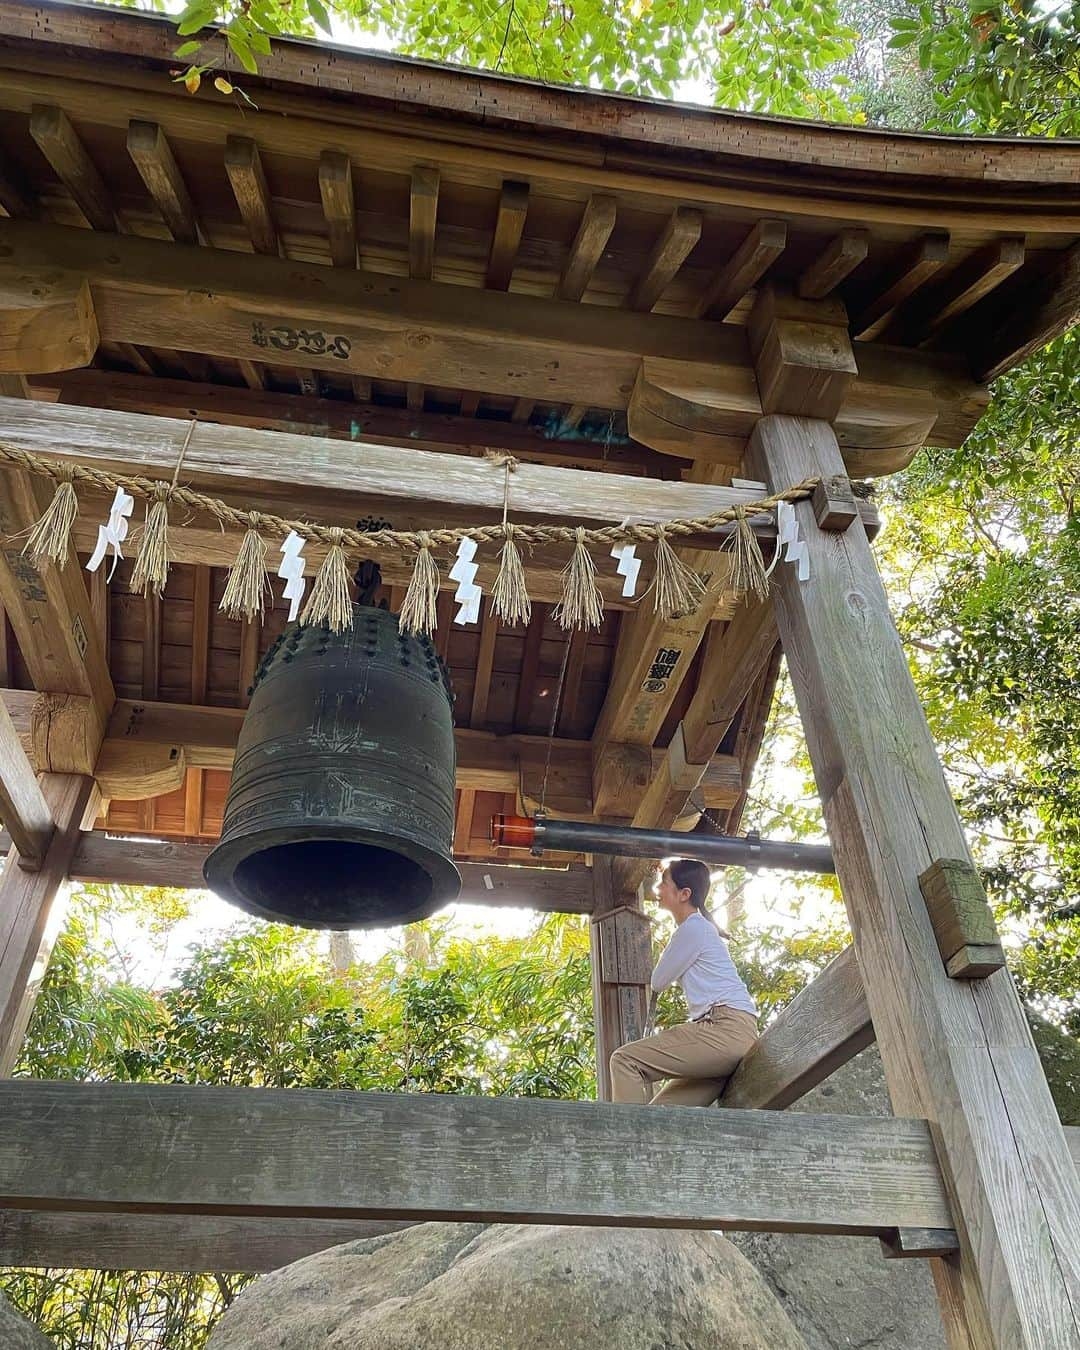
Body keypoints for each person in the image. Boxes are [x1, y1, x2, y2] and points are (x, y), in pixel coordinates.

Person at [609, 858, 757, 1106]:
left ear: (684, 894)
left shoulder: (693, 928)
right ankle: (636, 1142)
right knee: (661, 1116)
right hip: (730, 1041)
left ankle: (626, 1142)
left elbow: (658, 981)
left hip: (723, 1031)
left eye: (664, 883)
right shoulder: (700, 928)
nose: (657, 889)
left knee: (624, 1060)